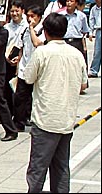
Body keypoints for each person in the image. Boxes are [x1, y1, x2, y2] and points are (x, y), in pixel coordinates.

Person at [23, 13, 88, 193]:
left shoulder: (42, 52)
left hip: (45, 119)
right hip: (66, 120)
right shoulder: (76, 54)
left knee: (37, 169)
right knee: (61, 169)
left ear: (46, 31)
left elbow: (28, 78)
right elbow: (84, 83)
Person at [13, 5, 45, 132]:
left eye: (33, 16)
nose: (30, 19)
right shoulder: (25, 30)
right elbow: (22, 47)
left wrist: (32, 28)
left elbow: (37, 43)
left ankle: (36, 120)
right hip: (24, 68)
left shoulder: (42, 30)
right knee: (20, 97)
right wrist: (18, 61)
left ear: (39, 17)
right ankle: (19, 122)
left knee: (37, 97)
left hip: (38, 69)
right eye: (29, 16)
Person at [58, 0, 90, 93]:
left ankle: (81, 85)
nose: (69, 3)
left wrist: (84, 45)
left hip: (76, 41)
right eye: (67, 1)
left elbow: (84, 31)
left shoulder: (82, 16)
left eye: (71, 1)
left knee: (79, 64)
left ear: (76, 3)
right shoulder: (61, 15)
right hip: (64, 41)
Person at [3, 0, 28, 115]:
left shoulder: (27, 26)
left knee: (22, 91)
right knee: (7, 89)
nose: (14, 14)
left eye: (17, 11)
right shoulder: (6, 27)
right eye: (12, 11)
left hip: (23, 62)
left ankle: (23, 115)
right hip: (7, 61)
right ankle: (9, 113)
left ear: (22, 11)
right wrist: (7, 57)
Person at [88, 0, 101, 78]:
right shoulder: (93, 9)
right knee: (97, 52)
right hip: (99, 31)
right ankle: (94, 70)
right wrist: (90, 32)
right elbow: (91, 20)